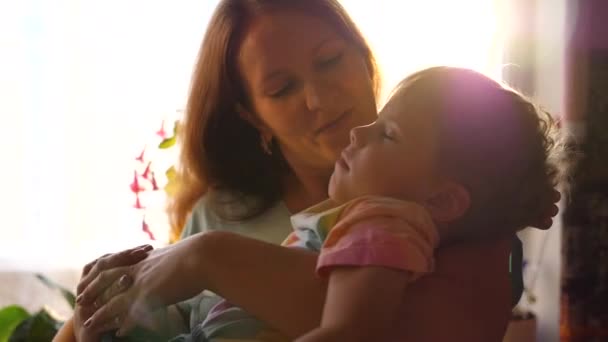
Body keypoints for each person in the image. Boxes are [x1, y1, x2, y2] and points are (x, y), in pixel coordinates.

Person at [53, 0, 559, 341]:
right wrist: (99, 302)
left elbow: (394, 327)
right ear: (254, 117)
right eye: (282, 89)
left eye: (330, 61)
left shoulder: (438, 207)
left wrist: (209, 259)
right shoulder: (221, 215)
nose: (318, 99)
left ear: (364, 59)